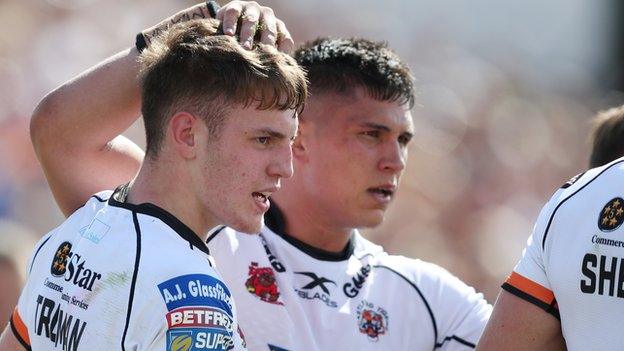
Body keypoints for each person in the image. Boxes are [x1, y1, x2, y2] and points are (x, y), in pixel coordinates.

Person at [23, 21, 491, 351]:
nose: (396, 160)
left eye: (404, 139)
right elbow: (60, 134)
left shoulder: (429, 298)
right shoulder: (196, 219)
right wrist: (196, 24)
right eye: (370, 134)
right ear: (301, 136)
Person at [0, 2, 305, 350]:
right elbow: (57, 129)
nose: (285, 167)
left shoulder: (79, 227)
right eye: (264, 140)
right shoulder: (193, 301)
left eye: (290, 142)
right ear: (187, 134)